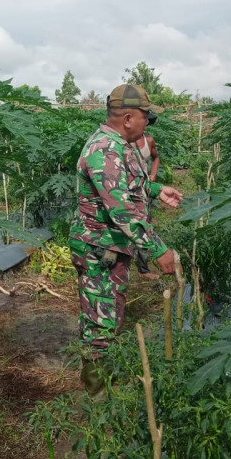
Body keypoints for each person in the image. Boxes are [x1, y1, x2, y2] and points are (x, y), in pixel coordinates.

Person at [68, 83, 183, 395]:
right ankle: (97, 393)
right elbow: (121, 210)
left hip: (111, 248)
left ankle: (104, 378)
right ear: (129, 117)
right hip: (98, 249)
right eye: (148, 117)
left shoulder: (121, 145)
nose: (149, 123)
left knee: (111, 311)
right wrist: (158, 250)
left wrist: (159, 190)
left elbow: (130, 185)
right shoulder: (104, 150)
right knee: (100, 320)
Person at [132, 132, 161, 279]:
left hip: (144, 191)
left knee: (144, 225)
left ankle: (143, 269)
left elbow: (155, 158)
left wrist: (153, 174)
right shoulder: (121, 142)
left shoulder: (149, 140)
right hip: (126, 192)